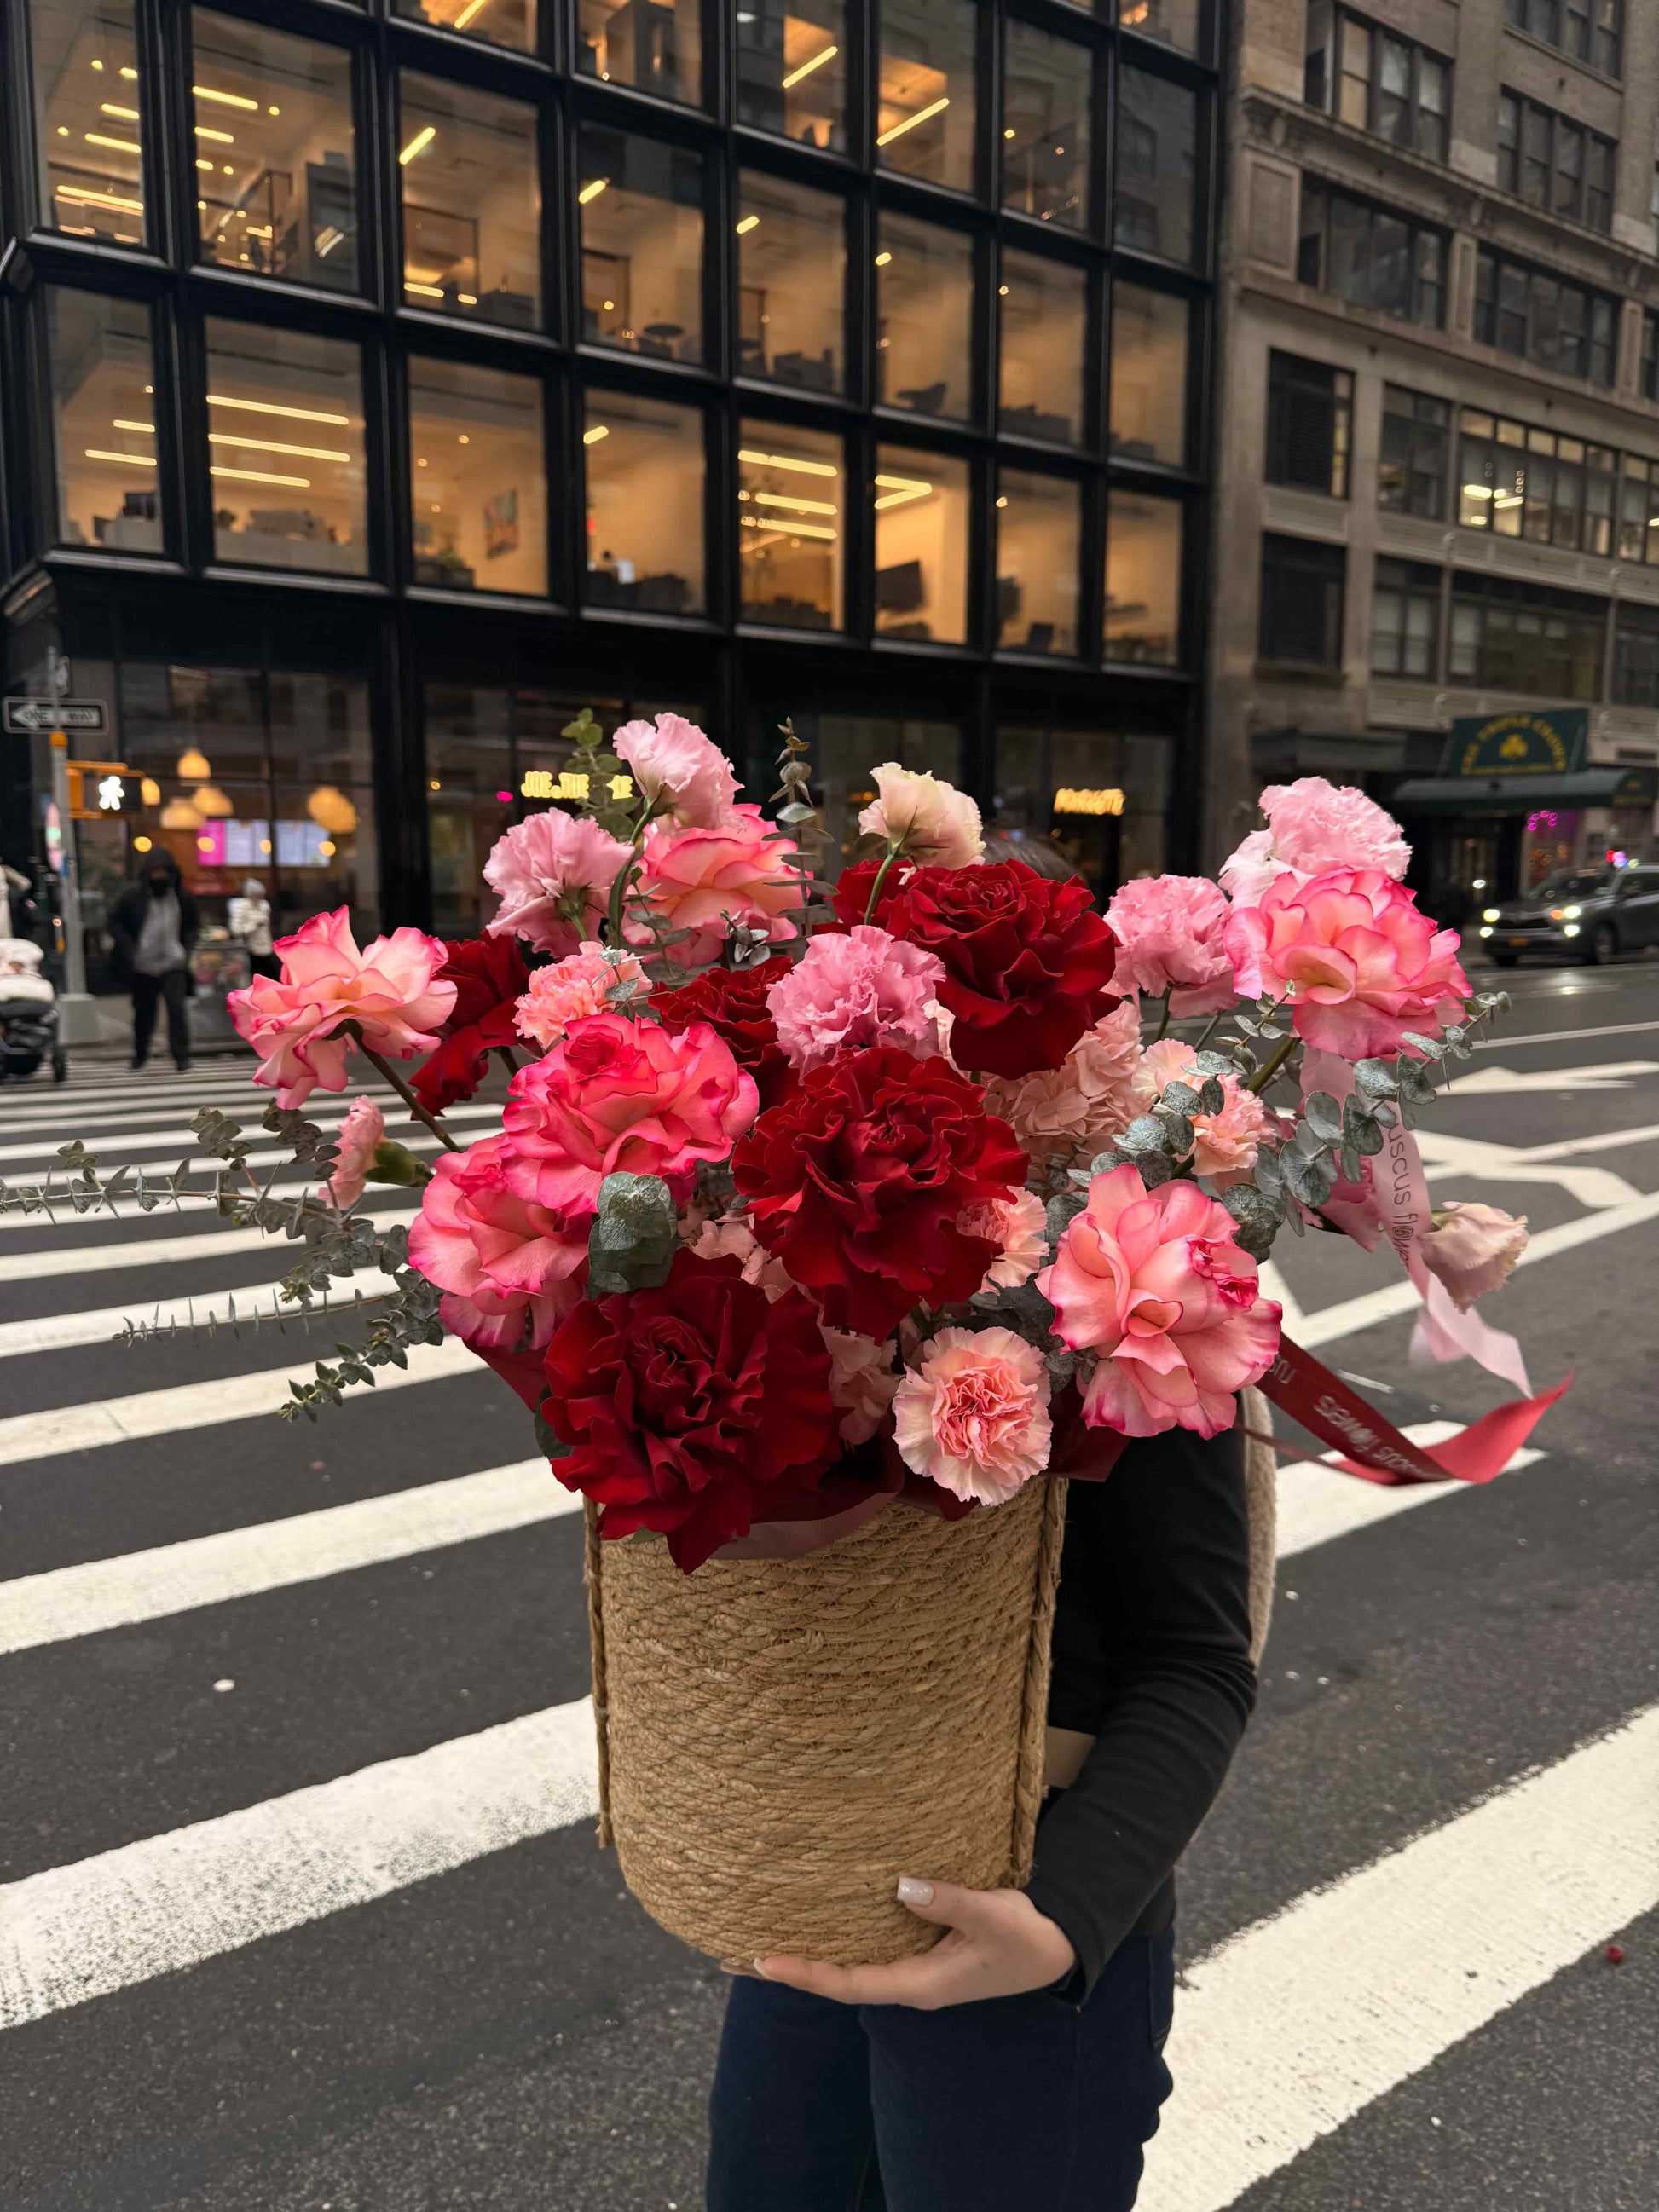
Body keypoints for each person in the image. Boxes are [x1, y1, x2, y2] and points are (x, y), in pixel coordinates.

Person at [706, 1423, 1257, 2211]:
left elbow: (1196, 1658)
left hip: (1023, 1924)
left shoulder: (1138, 1306)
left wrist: (1065, 1915)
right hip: (817, 1900)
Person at [109, 849, 199, 1073]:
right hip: (143, 963)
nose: (159, 878)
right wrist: (130, 949)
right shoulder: (133, 896)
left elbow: (193, 926)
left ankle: (181, 1055)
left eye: (163, 873)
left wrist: (186, 950)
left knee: (176, 1009)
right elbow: (115, 922)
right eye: (155, 873)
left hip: (173, 961)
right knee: (144, 1012)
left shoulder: (182, 897)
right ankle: (140, 1053)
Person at [228, 875, 277, 979]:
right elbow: (235, 929)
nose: (259, 898)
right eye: (257, 895)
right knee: (255, 976)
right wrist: (253, 926)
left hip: (266, 947)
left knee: (272, 975)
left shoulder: (264, 906)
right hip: (251, 949)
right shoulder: (242, 907)